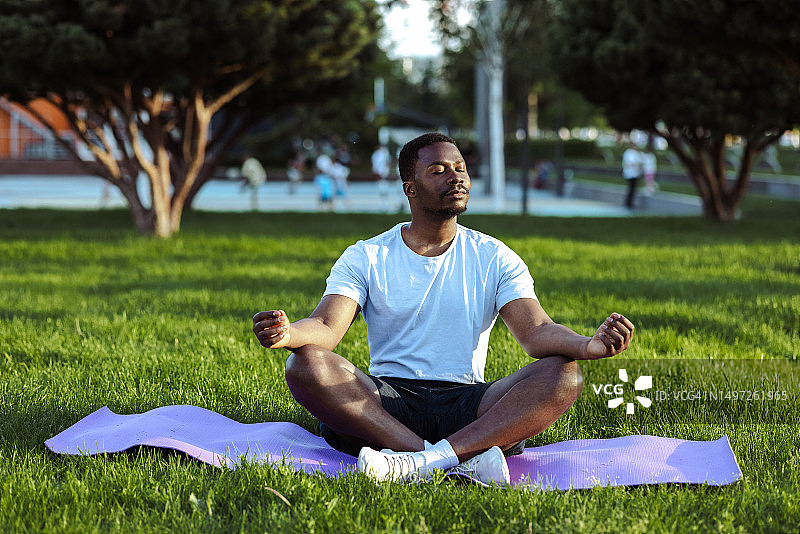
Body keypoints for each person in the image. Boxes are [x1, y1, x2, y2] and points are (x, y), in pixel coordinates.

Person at [253, 132, 634, 485]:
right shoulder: (367, 255)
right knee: (304, 364)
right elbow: (325, 325)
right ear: (410, 188)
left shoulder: (493, 255)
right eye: (438, 170)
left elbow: (536, 332)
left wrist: (587, 345)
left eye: (460, 168)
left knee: (564, 374)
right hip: (387, 404)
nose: (456, 177)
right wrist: (289, 333)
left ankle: (414, 463)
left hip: (469, 403)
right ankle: (458, 458)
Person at [621, 143, 643, 209]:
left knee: (633, 189)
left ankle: (630, 203)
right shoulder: (628, 153)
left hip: (635, 173)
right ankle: (628, 203)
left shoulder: (636, 153)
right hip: (630, 174)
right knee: (631, 189)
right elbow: (629, 163)